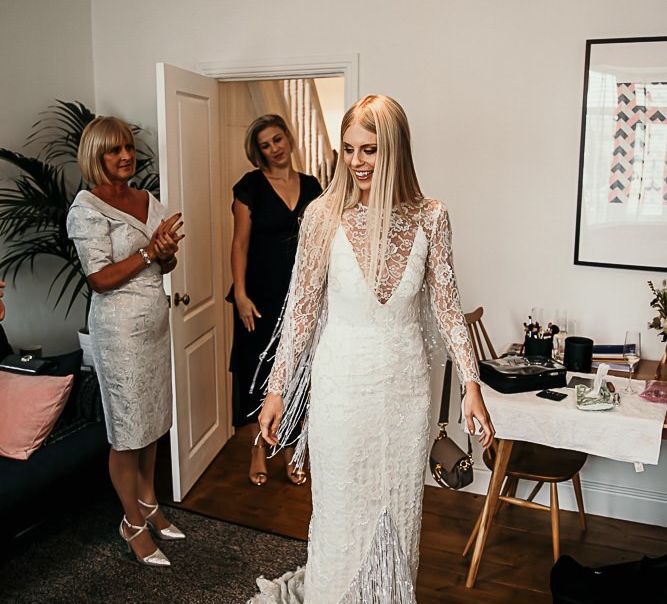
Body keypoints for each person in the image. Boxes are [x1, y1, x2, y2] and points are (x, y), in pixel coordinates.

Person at [250, 95, 495, 603]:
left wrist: (472, 386)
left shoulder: (431, 218)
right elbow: (299, 315)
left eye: (370, 150)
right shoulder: (322, 216)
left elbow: (449, 307)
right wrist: (277, 392)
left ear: (397, 150)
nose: (357, 162)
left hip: (406, 396)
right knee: (340, 515)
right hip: (341, 390)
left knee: (398, 515)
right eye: (348, 150)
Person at [66, 117, 185, 567]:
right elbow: (98, 278)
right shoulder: (87, 209)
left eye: (129, 149)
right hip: (119, 333)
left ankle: (151, 503)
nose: (125, 157)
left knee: (152, 422)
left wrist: (166, 254)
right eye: (114, 150)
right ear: (96, 156)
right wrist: (149, 252)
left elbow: (161, 266)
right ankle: (131, 521)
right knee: (127, 432)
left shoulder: (145, 198)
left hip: (154, 324)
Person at [229, 114, 322, 486]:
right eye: (265, 145)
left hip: (301, 297)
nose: (274, 149)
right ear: (258, 151)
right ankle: (257, 446)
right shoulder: (249, 187)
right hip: (259, 297)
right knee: (260, 372)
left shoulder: (313, 187)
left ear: (289, 139)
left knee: (299, 370)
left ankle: (293, 447)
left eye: (278, 139)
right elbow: (239, 244)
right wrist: (239, 293)